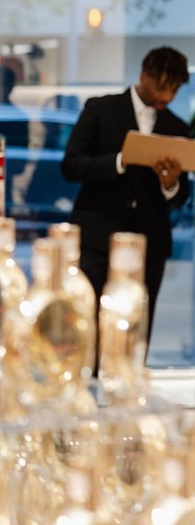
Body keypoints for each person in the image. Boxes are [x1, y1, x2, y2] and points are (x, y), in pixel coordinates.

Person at [61, 46, 191, 346]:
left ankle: (131, 387)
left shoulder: (177, 127)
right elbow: (70, 165)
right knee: (88, 323)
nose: (166, 97)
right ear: (144, 76)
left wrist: (169, 183)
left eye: (173, 90)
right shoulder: (100, 109)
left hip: (150, 240)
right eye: (161, 87)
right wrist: (121, 160)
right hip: (97, 235)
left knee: (138, 329)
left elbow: (180, 196)